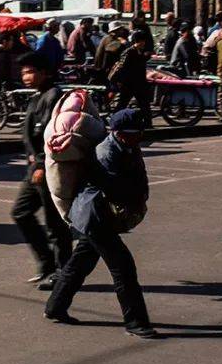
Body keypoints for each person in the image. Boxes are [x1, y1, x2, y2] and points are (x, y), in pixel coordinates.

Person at [45, 108, 155, 338]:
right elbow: (118, 188)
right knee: (123, 268)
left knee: (79, 265)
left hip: (95, 216)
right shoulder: (106, 153)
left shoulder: (126, 146)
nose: (141, 137)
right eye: (138, 133)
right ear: (124, 133)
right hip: (95, 218)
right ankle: (136, 323)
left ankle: (55, 308)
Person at [10, 51, 72, 290]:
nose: (26, 76)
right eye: (24, 71)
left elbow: (50, 135)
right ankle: (47, 262)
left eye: (31, 71)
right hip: (35, 169)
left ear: (45, 72)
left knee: (55, 224)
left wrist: (39, 163)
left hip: (47, 169)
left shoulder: (53, 96)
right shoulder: (39, 96)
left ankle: (62, 272)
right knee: (20, 213)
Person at [109, 30, 153, 127]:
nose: (144, 43)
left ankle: (148, 123)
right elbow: (122, 67)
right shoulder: (129, 52)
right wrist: (122, 81)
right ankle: (114, 120)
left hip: (137, 83)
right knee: (124, 103)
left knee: (143, 103)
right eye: (142, 41)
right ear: (139, 41)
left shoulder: (138, 52)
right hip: (129, 84)